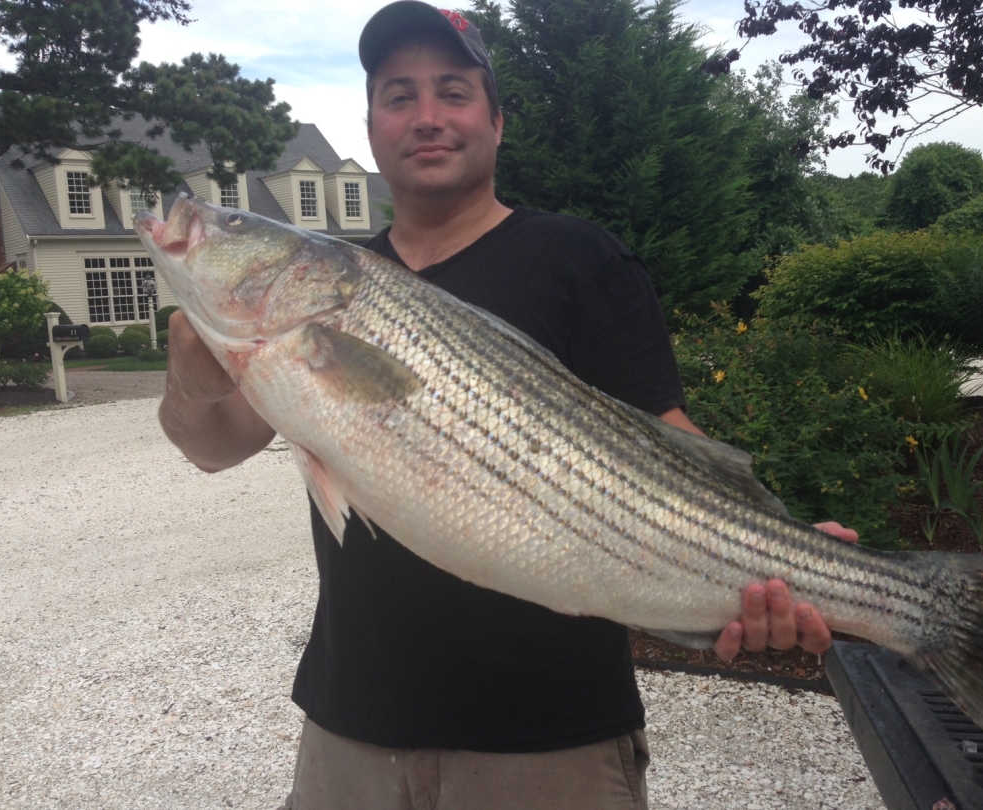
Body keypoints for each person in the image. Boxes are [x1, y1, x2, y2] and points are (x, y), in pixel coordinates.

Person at [159, 3, 858, 807]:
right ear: (372, 128)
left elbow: (669, 439)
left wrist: (791, 558)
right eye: (398, 96)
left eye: (453, 92)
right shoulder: (322, 301)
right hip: (350, 729)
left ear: (496, 121)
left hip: (550, 741)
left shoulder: (581, 258)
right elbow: (211, 445)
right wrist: (195, 381)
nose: (427, 115)